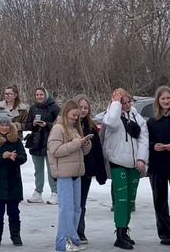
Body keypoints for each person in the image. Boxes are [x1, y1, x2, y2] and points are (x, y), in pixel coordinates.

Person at [102, 88, 148, 249]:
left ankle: (124, 230)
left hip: (134, 163)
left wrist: (142, 158)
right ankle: (119, 233)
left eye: (129, 102)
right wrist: (115, 103)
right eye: (124, 103)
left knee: (130, 199)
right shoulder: (112, 115)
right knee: (121, 199)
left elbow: (144, 138)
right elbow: (110, 122)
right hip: (118, 161)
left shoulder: (136, 116)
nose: (127, 105)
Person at [47, 100, 92, 252]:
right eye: (73, 115)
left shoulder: (75, 129)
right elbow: (54, 150)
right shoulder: (58, 129)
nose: (75, 118)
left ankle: (73, 238)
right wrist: (76, 144)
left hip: (76, 173)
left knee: (76, 208)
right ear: (66, 113)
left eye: (77, 116)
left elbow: (80, 151)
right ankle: (61, 243)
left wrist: (85, 145)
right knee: (66, 209)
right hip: (64, 174)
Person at [0, 113, 27, 247]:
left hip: (14, 182)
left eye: (7, 124)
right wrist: (1, 156)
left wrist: (15, 157)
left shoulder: (16, 140)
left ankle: (16, 236)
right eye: (2, 124)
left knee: (14, 212)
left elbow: (23, 157)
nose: (5, 127)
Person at [75, 94, 107, 245]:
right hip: (70, 170)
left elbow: (98, 151)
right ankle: (69, 230)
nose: (83, 110)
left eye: (85, 108)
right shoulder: (67, 125)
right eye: (80, 107)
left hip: (86, 171)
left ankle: (80, 231)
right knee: (71, 204)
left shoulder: (92, 126)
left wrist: (101, 172)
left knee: (81, 203)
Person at [24, 87, 60, 205]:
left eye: (41, 94)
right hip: (36, 142)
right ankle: (38, 192)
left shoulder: (54, 107)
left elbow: (60, 124)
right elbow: (27, 125)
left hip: (50, 141)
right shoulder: (33, 108)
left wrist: (47, 124)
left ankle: (55, 192)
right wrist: (33, 124)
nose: (39, 97)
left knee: (51, 169)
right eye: (37, 95)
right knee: (38, 170)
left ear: (46, 95)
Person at [147, 85, 170, 246]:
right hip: (158, 165)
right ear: (158, 101)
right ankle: (165, 233)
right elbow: (145, 142)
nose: (166, 101)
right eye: (163, 98)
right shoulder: (152, 121)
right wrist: (154, 145)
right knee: (160, 201)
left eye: (168, 98)